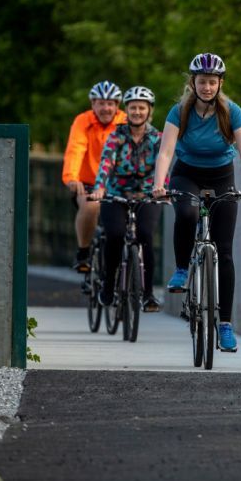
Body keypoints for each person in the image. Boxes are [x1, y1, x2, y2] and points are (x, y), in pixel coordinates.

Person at [151, 52, 241, 353]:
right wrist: (159, 184)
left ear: (220, 83)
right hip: (186, 174)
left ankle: (224, 325)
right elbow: (166, 152)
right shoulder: (180, 111)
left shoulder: (232, 112)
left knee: (224, 253)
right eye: (202, 82)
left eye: (213, 82)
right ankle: (181, 269)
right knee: (186, 213)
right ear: (194, 82)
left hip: (221, 176)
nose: (207, 87)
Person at [89, 86, 163, 312]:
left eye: (142, 108)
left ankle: (149, 294)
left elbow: (164, 166)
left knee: (146, 235)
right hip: (115, 194)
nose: (137, 112)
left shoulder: (158, 138)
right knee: (115, 234)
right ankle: (109, 286)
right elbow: (106, 164)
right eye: (133, 108)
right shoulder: (116, 136)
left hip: (147, 195)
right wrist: (100, 188)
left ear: (149, 111)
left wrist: (163, 188)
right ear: (126, 110)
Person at [62, 80, 126, 272]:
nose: (106, 108)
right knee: (90, 207)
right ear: (93, 104)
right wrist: (72, 178)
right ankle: (83, 252)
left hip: (118, 184)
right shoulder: (83, 121)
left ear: (117, 105)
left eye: (110, 103)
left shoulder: (125, 121)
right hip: (88, 182)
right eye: (101, 103)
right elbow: (76, 149)